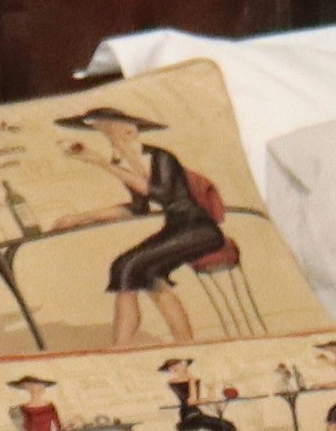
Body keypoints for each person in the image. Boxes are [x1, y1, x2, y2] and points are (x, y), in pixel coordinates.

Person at [64, 104, 244, 339]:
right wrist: (80, 218)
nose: (112, 137)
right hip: (177, 229)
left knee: (126, 265)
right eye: (104, 131)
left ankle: (123, 346)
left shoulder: (160, 156)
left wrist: (102, 163)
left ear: (131, 129)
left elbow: (161, 194)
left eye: (111, 129)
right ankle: (180, 343)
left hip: (197, 229)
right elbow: (138, 208)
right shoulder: (124, 162)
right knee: (147, 276)